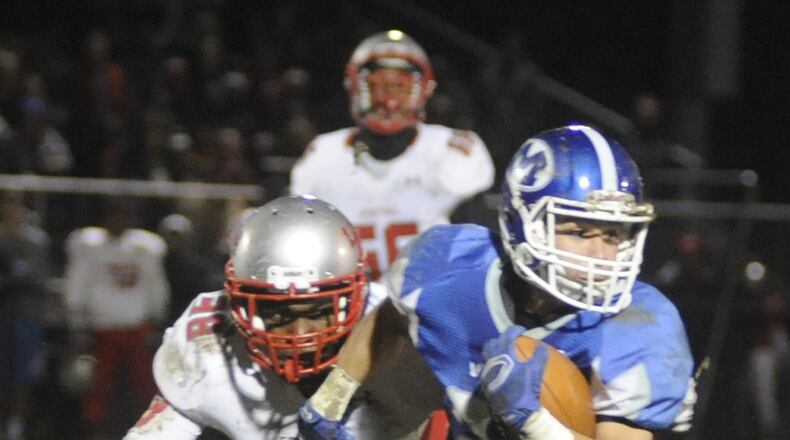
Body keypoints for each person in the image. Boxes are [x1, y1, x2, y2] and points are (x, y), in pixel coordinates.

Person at [299, 125, 698, 440]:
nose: (602, 255)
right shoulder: (452, 268)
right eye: (579, 231)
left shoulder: (638, 324)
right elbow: (390, 319)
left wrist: (536, 423)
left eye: (613, 235)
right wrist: (332, 398)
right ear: (525, 224)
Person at [124, 195, 444, 439]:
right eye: (278, 313)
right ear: (238, 304)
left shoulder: (401, 340)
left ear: (356, 297)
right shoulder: (208, 345)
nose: (299, 334)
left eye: (319, 312)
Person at [290, 29, 495, 280]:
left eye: (399, 88)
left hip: (427, 303)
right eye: (377, 88)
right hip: (347, 304)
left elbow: (479, 256)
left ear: (424, 89)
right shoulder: (323, 155)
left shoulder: (450, 151)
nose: (388, 102)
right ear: (355, 87)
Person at [64, 200, 170, 438]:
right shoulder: (89, 245)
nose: (120, 220)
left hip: (136, 328)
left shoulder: (146, 247)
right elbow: (76, 283)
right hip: (102, 328)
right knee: (97, 386)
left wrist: (157, 314)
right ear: (106, 218)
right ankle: (94, 431)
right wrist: (76, 318)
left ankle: (153, 430)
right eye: (116, 215)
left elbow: (156, 285)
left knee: (146, 385)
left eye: (125, 215)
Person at [0, 192, 52, 440]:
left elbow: (38, 279)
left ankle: (15, 430)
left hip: (26, 316)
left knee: (22, 377)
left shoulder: (36, 241)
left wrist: (12, 280)